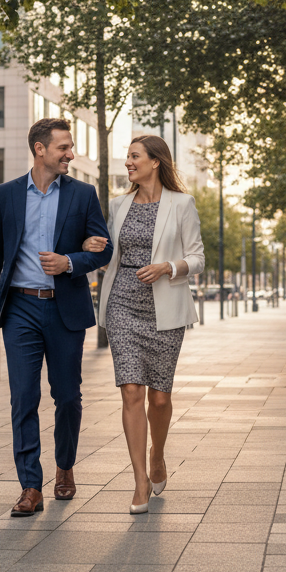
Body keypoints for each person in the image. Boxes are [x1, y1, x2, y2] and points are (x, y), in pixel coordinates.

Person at [0, 118, 113, 518]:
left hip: (64, 308)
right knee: (23, 398)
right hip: (19, 308)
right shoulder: (7, 194)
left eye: (70, 148)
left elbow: (103, 250)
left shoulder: (83, 195)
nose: (70, 154)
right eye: (63, 148)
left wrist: (70, 261)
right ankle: (30, 486)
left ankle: (64, 466)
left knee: (67, 396)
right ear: (40, 149)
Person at [88, 135, 204, 514]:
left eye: (134, 156)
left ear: (155, 161)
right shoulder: (119, 205)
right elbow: (109, 250)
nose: (128, 163)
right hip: (122, 304)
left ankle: (157, 454)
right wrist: (92, 245)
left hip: (165, 311)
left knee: (160, 397)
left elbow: (197, 258)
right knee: (131, 392)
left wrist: (168, 267)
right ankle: (139, 479)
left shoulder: (182, 204)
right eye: (127, 157)